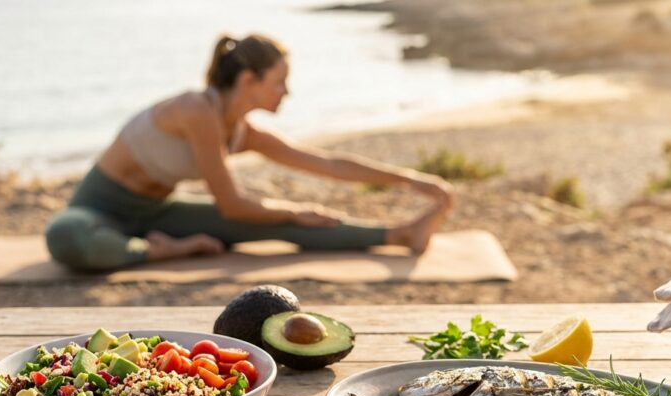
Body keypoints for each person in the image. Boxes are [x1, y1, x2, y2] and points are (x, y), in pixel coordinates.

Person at [45, 34, 454, 271]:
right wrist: (293, 208)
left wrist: (411, 178)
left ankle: (400, 233)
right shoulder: (195, 110)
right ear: (248, 79)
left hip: (157, 211)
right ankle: (166, 249)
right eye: (279, 82)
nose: (286, 92)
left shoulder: (244, 132)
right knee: (66, 237)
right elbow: (231, 204)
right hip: (100, 208)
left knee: (283, 225)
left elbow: (326, 163)